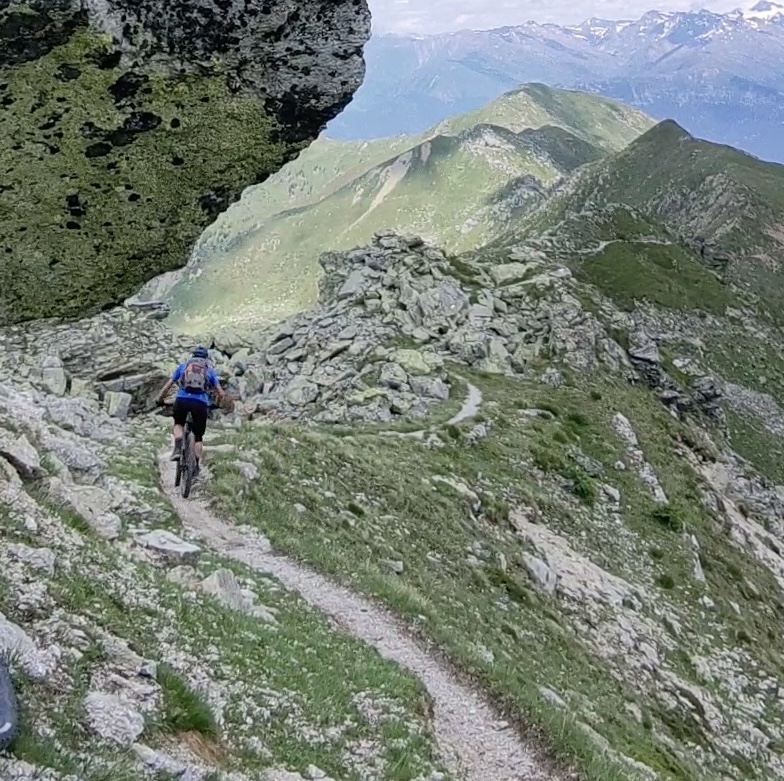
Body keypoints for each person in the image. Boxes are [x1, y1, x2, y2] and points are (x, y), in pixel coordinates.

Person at [156, 347, 226, 469]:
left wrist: (160, 399)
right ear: (206, 358)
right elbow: (221, 393)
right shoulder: (209, 371)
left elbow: (168, 386)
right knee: (198, 436)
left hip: (182, 400)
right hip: (201, 403)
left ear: (192, 356)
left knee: (178, 424)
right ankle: (196, 465)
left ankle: (178, 449)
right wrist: (216, 404)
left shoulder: (183, 367)